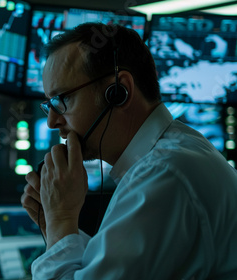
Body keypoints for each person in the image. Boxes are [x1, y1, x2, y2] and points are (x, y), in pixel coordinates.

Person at [21, 22, 237, 279]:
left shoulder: (162, 176)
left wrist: (62, 219)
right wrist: (56, 226)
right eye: (49, 104)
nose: (52, 121)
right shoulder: (175, 153)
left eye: (62, 100)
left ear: (118, 92)